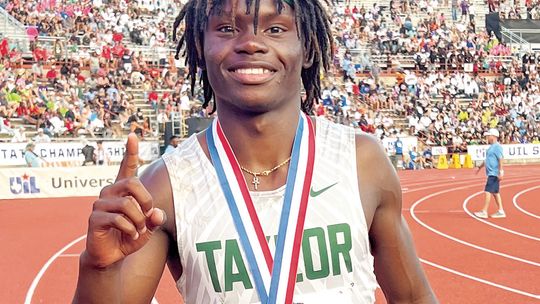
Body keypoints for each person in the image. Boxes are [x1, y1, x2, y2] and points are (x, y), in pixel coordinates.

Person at [73, 1, 437, 303]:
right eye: (228, 29)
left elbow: (413, 298)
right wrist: (98, 268)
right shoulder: (165, 186)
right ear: (200, 47)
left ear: (307, 48)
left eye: (275, 29)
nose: (251, 43)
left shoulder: (361, 161)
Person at [474, 128, 505, 218]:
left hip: (494, 173)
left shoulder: (497, 147)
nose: (487, 137)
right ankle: (501, 211)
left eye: (488, 135)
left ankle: (484, 211)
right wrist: (479, 167)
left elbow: (501, 159)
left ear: (493, 136)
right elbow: (487, 160)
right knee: (495, 192)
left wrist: (501, 172)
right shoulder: (491, 147)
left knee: (488, 191)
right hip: (492, 173)